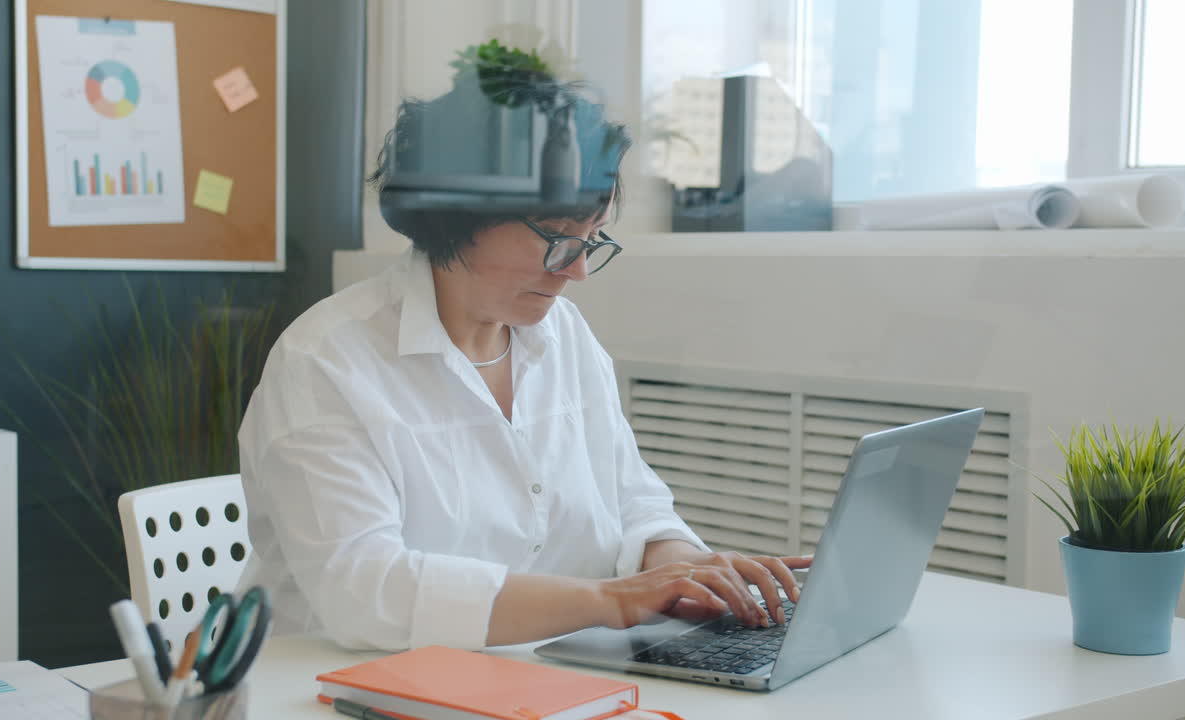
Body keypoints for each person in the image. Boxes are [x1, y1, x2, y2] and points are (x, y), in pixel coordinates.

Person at [236, 76, 811, 651]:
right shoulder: (326, 361)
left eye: (593, 238)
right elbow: (365, 589)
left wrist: (684, 570)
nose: (576, 271)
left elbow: (633, 502)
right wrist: (611, 601)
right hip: (335, 680)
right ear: (456, 215)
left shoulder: (564, 336)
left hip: (533, 672)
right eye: (557, 236)